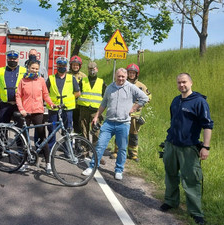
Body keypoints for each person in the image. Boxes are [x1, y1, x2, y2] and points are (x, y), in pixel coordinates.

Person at [160, 73, 213, 225]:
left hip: (189, 148)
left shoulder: (199, 102)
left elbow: (207, 126)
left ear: (191, 83)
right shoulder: (176, 100)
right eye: (179, 83)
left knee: (191, 180)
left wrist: (206, 147)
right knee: (170, 175)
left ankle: (195, 212)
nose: (181, 85)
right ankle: (170, 201)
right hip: (171, 145)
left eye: (184, 82)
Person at [82, 68, 149, 180]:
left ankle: (119, 170)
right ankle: (93, 167)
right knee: (100, 146)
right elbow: (104, 103)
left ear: (126, 76)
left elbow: (145, 97)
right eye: (119, 76)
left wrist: (135, 107)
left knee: (122, 148)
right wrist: (97, 115)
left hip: (123, 124)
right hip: (108, 123)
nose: (121, 78)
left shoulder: (131, 88)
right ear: (115, 76)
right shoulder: (110, 88)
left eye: (123, 76)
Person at [16, 60, 55, 173]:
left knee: (43, 137)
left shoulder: (41, 80)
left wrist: (51, 104)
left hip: (38, 111)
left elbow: (46, 95)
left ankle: (48, 163)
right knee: (25, 139)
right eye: (32, 68)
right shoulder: (23, 80)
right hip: (26, 113)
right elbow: (18, 96)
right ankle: (25, 162)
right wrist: (21, 109)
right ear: (28, 67)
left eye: (36, 69)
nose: (34, 70)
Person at [110, 63, 152, 162]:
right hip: (123, 115)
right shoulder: (122, 84)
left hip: (135, 116)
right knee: (120, 133)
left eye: (133, 73)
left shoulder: (141, 86)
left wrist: (139, 104)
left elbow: (148, 97)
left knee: (133, 135)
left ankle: (133, 154)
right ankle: (116, 151)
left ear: (137, 74)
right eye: (130, 72)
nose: (131, 74)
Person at [46, 56, 80, 150]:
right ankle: (50, 149)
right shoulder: (51, 78)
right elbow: (45, 93)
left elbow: (77, 93)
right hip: (54, 109)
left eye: (64, 65)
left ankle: (67, 149)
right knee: (52, 129)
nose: (62, 66)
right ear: (57, 66)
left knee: (67, 129)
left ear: (66, 66)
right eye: (60, 65)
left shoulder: (71, 78)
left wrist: (68, 100)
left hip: (67, 109)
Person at [77, 62, 106, 164]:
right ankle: (85, 152)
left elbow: (105, 98)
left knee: (96, 133)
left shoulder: (101, 82)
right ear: (87, 70)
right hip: (84, 109)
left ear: (97, 69)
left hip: (96, 111)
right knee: (84, 131)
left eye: (93, 68)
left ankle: (97, 154)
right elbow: (77, 93)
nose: (92, 70)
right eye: (90, 69)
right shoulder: (82, 81)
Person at [0, 50, 26, 126]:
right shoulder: (0, 70)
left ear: (18, 59)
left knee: (20, 129)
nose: (12, 60)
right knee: (2, 128)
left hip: (19, 105)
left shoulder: (24, 71)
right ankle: (3, 138)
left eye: (14, 59)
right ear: (7, 59)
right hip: (5, 105)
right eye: (10, 59)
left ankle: (19, 138)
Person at [68, 55, 86, 134]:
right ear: (71, 65)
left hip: (78, 105)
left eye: (77, 65)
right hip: (68, 104)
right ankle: (66, 143)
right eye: (73, 65)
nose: (75, 66)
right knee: (67, 125)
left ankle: (78, 143)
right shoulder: (66, 75)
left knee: (78, 124)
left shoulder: (83, 76)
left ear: (80, 66)